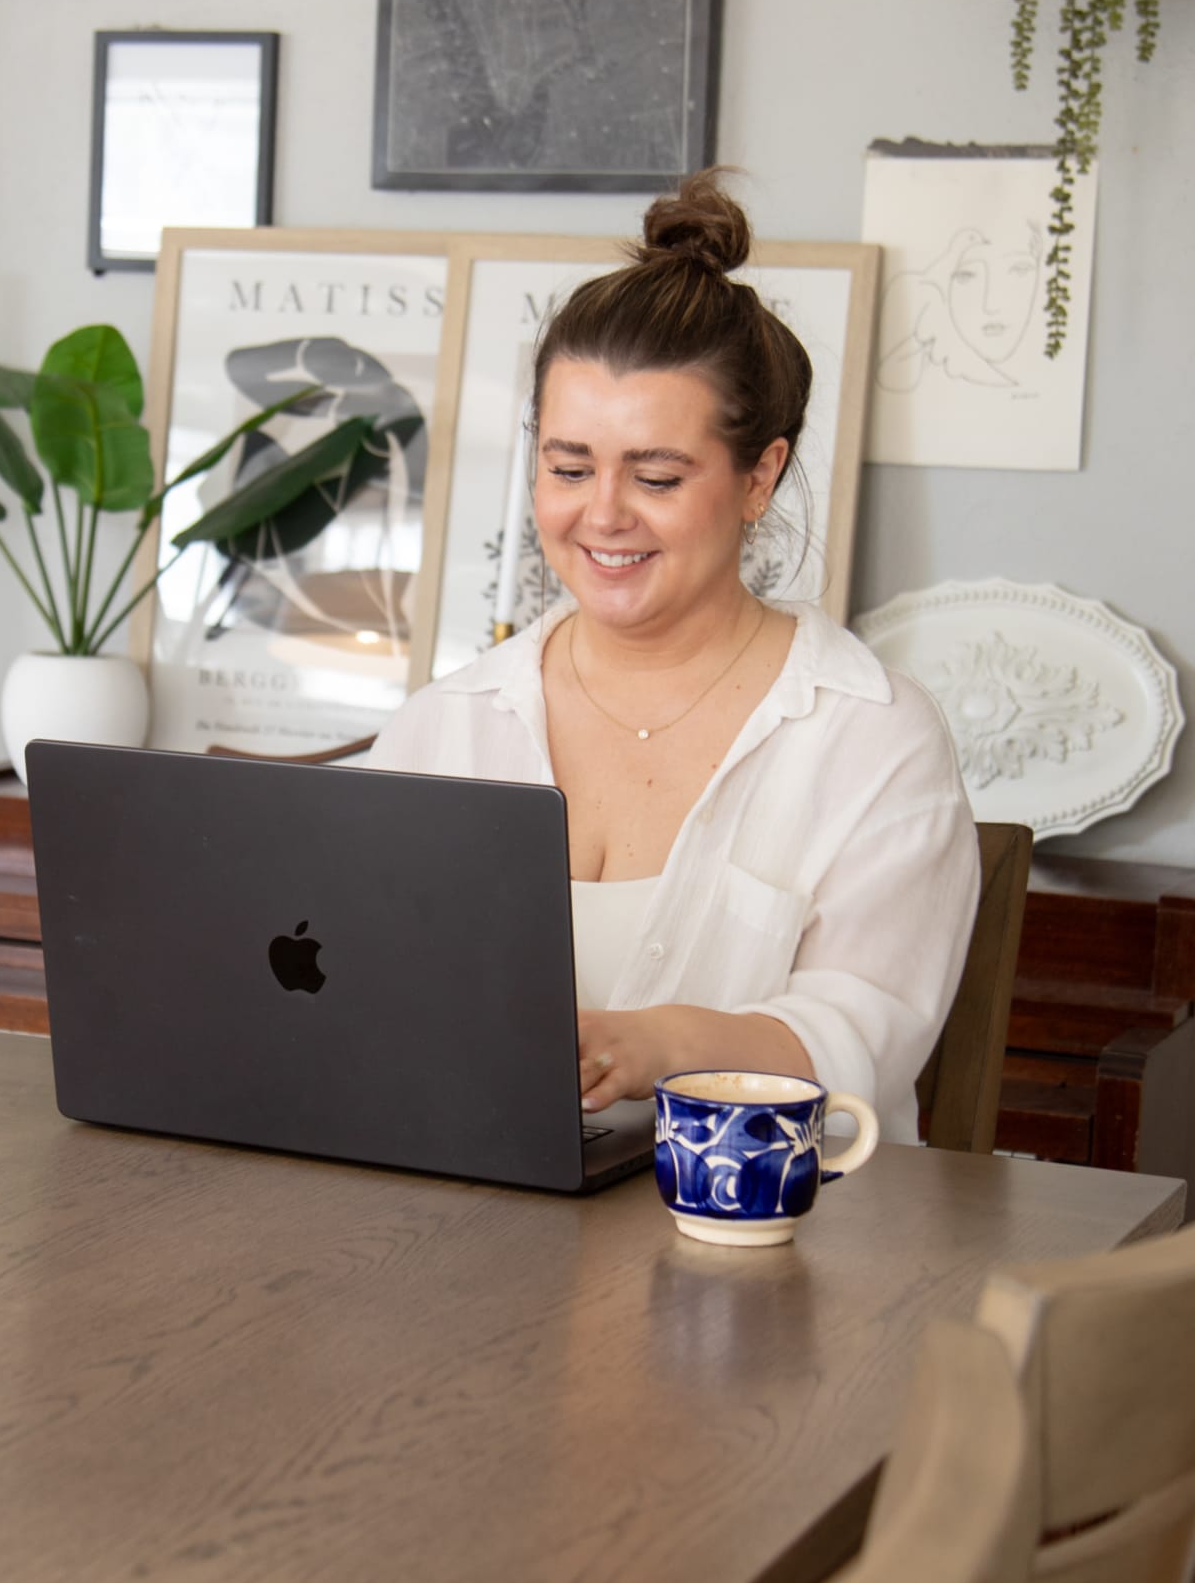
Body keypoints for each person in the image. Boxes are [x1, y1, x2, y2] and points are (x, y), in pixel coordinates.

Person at [366, 174, 978, 1145]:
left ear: (758, 477)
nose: (600, 514)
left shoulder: (869, 736)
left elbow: (867, 1034)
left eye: (654, 476)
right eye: (567, 468)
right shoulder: (447, 724)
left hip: (773, 1244)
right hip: (473, 1238)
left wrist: (659, 1044)